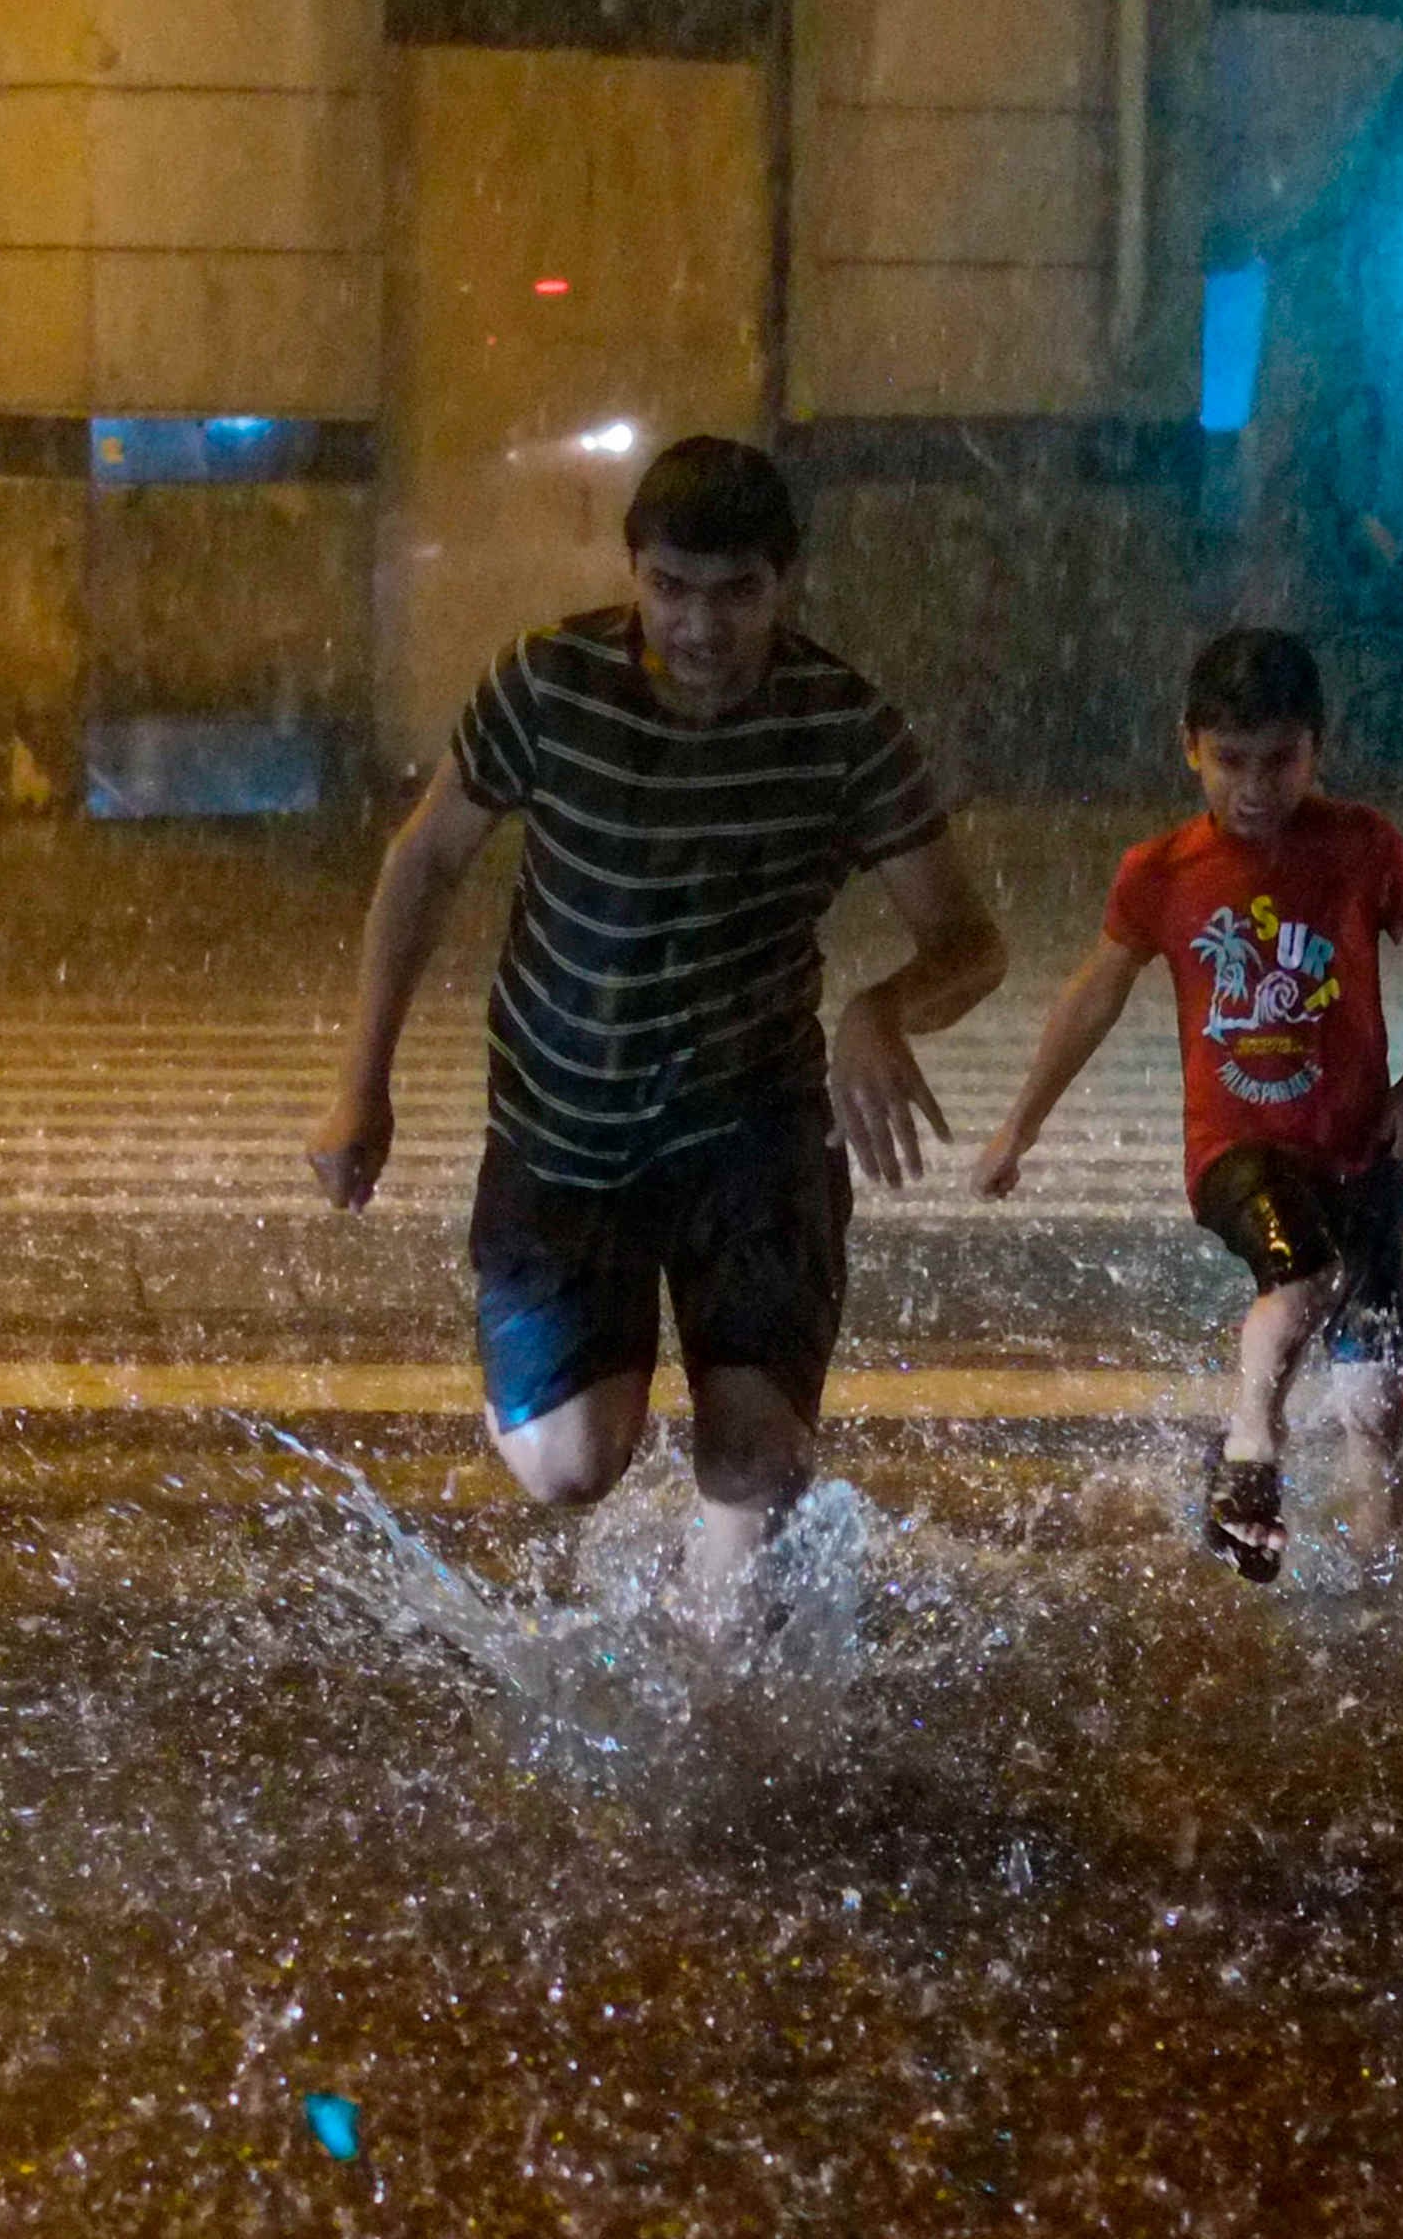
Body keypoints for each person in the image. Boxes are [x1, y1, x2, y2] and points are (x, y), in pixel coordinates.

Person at [301, 436, 1008, 1614]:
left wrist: (883, 1009)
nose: (701, 626)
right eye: (672, 587)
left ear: (785, 584)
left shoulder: (842, 725)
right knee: (570, 1466)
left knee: (755, 1460)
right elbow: (424, 863)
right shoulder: (550, 684)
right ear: (632, 570)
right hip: (563, 1129)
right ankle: (602, 1410)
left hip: (752, 1127)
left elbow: (970, 940)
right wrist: (359, 1084)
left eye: (738, 593)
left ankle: (720, 1679)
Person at [967, 627, 1403, 1581]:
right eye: (1230, 760)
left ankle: (1374, 1585)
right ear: (1190, 747)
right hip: (1238, 1148)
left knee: (1378, 1416)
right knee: (1301, 1271)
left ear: (1316, 748)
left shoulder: (1362, 846)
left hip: (1364, 1152)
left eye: (1279, 760)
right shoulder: (1163, 871)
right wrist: (1018, 1125)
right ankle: (1249, 1450)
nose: (1254, 788)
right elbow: (1095, 994)